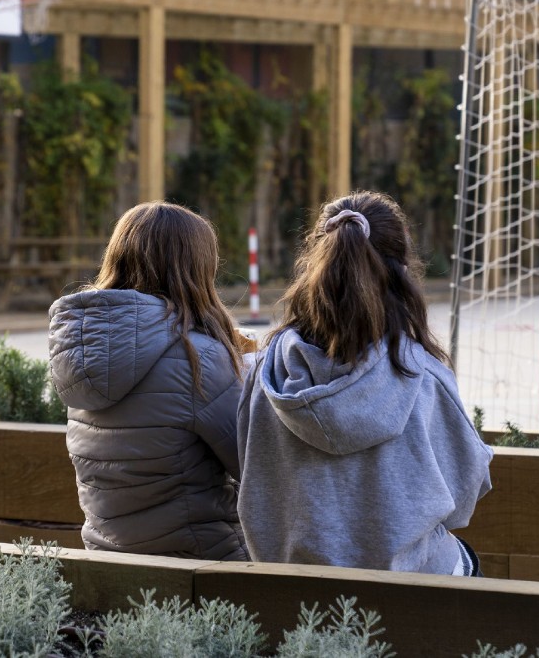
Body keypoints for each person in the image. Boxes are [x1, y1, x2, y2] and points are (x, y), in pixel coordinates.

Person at [235, 191, 492, 576]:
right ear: (401, 272)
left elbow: (247, 474)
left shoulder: (265, 373)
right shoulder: (421, 374)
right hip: (406, 587)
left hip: (290, 589)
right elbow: (465, 496)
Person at [47, 202, 256, 560]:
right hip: (200, 563)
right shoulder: (199, 359)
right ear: (194, 270)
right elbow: (256, 466)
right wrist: (248, 371)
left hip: (108, 556)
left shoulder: (84, 350)